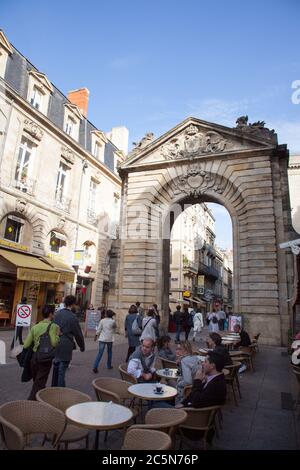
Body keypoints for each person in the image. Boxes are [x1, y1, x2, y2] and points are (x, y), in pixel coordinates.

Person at [23, 305, 60, 400]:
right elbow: (54, 343)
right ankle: (32, 401)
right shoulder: (54, 326)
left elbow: (26, 345)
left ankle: (41, 398)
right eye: (54, 313)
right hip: (45, 358)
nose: (54, 314)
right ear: (51, 314)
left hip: (34, 358)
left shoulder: (35, 326)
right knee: (39, 383)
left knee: (38, 382)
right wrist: (58, 335)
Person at [51, 295, 85, 387]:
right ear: (73, 304)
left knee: (56, 368)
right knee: (62, 371)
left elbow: (52, 327)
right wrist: (82, 346)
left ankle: (53, 388)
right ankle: (60, 392)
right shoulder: (72, 317)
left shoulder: (57, 314)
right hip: (66, 344)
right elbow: (78, 334)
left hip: (56, 342)